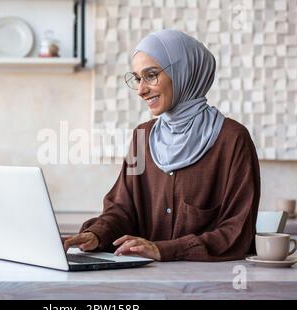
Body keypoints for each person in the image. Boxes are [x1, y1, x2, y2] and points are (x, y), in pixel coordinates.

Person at [63, 29, 261, 262]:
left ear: (184, 73)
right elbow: (122, 210)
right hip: (148, 280)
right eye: (138, 78)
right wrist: (97, 234)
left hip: (212, 284)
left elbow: (237, 232)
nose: (141, 90)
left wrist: (164, 249)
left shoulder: (232, 139)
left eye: (151, 75)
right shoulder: (143, 136)